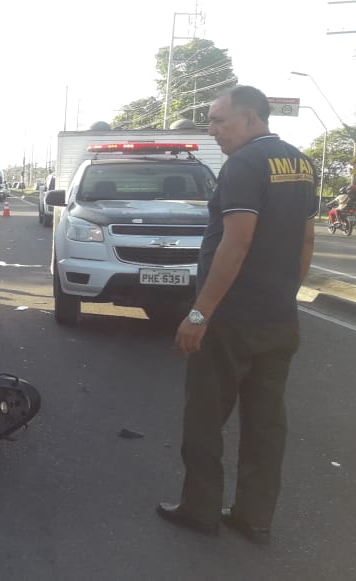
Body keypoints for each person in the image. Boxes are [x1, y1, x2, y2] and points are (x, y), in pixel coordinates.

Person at [156, 86, 318, 545]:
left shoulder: (244, 164)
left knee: (205, 417)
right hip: (279, 318)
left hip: (231, 320)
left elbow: (237, 240)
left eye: (218, 120)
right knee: (266, 424)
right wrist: (285, 293)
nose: (212, 130)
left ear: (249, 118)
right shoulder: (301, 164)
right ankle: (254, 516)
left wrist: (200, 314)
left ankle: (200, 509)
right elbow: (306, 241)